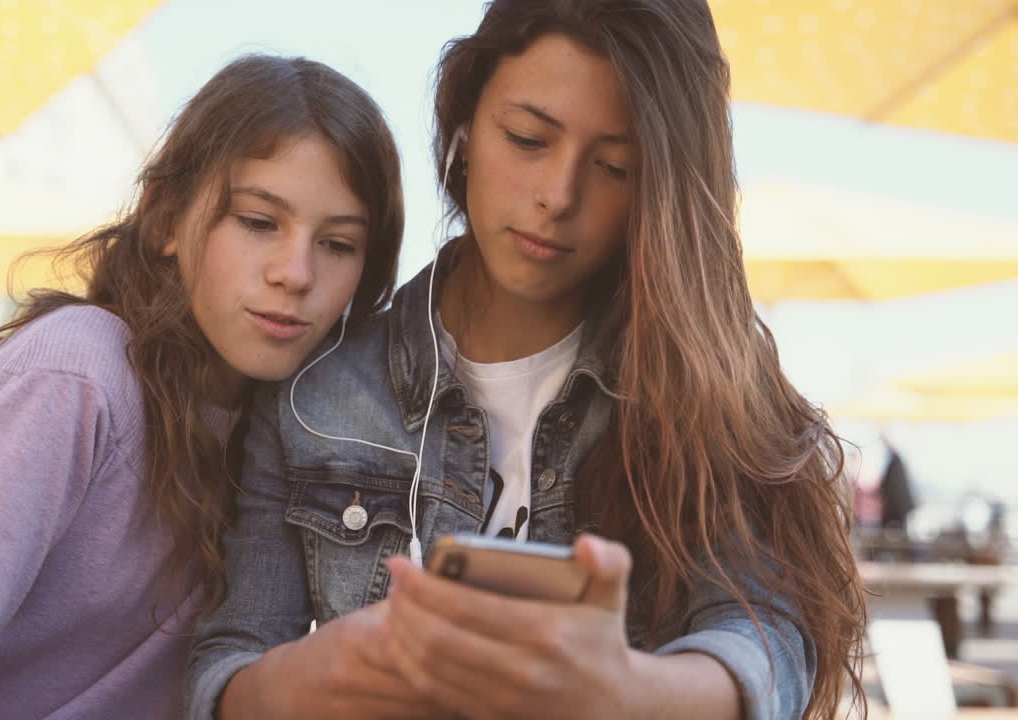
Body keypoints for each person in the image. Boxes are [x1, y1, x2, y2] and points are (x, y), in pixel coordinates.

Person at [186, 3, 866, 720]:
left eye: (615, 166)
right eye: (527, 139)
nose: (558, 197)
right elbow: (228, 661)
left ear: (657, 187)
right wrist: (305, 679)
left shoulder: (699, 389)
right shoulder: (313, 393)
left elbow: (765, 641)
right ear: (463, 128)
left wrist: (630, 693)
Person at [0, 54, 403, 719]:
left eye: (338, 244)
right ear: (165, 219)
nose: (296, 273)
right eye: (258, 222)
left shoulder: (296, 425)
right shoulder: (72, 378)